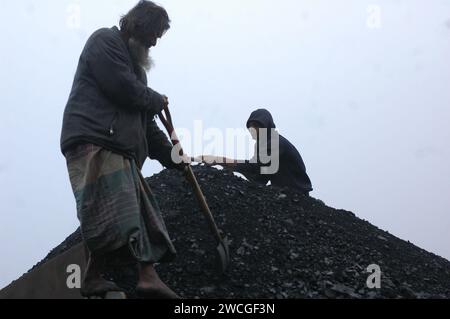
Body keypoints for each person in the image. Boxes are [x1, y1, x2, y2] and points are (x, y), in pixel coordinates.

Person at [60, 1, 183, 299]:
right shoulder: (104, 41)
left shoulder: (139, 76)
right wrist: (154, 99)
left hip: (121, 150)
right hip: (95, 139)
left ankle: (120, 276)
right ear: (138, 25)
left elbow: (147, 126)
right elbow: (120, 87)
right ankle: (142, 275)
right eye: (153, 33)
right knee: (117, 210)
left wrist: (171, 156)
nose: (154, 42)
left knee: (137, 211)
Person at [198, 109, 313, 195]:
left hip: (296, 194)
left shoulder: (274, 142)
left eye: (257, 125)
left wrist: (219, 160)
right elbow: (260, 177)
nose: (252, 130)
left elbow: (255, 169)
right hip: (282, 192)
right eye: (250, 126)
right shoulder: (262, 144)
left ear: (266, 125)